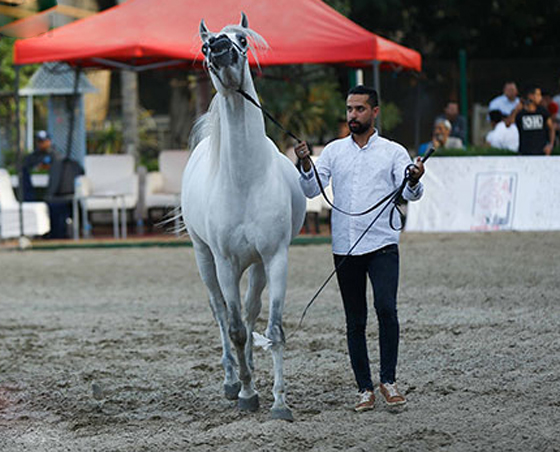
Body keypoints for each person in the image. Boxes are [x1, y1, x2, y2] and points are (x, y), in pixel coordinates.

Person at [295, 85, 425, 412]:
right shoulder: (334, 152)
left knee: (386, 310)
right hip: (345, 247)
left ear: (375, 112)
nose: (353, 115)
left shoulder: (393, 152)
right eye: (350, 109)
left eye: (360, 109)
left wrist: (413, 177)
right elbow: (312, 190)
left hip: (382, 244)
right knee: (355, 320)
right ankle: (364, 389)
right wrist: (306, 164)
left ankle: (389, 381)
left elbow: (411, 194)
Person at [515, 85, 556, 155]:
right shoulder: (521, 113)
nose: (540, 98)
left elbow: (551, 128)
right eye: (538, 95)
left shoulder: (543, 112)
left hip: (541, 152)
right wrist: (516, 110)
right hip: (525, 153)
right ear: (531, 96)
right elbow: (508, 124)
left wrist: (550, 145)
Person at [22, 130, 62, 202]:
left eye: (43, 141)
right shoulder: (33, 155)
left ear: (49, 141)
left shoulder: (55, 155)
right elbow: (26, 166)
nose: (41, 144)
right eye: (39, 141)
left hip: (51, 191)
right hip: (35, 189)